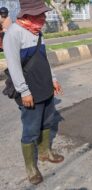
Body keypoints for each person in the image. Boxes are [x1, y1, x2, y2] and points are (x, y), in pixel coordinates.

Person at [3, 0, 64, 185]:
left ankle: (45, 152)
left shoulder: (37, 32)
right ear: (27, 15)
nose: (44, 17)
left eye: (44, 13)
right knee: (30, 129)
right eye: (41, 14)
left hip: (45, 87)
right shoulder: (13, 34)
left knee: (47, 121)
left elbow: (44, 59)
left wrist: (52, 79)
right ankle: (30, 167)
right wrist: (24, 91)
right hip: (29, 92)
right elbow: (13, 67)